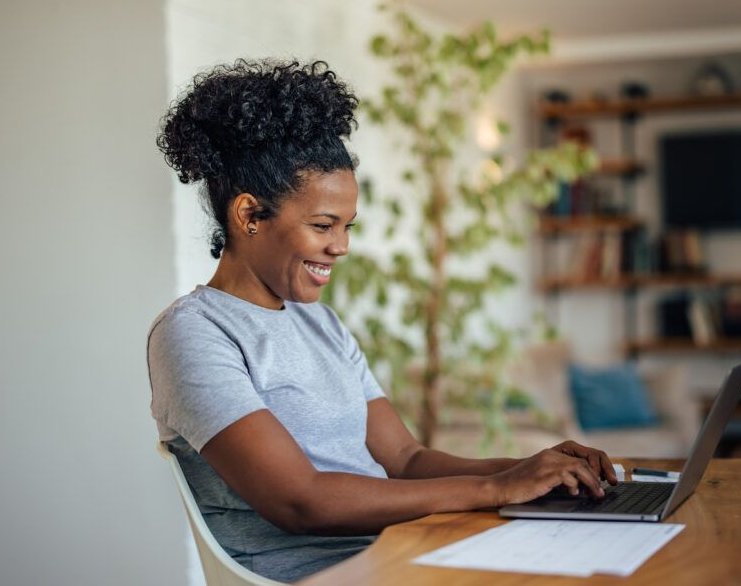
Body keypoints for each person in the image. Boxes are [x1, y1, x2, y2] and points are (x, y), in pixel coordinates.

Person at [149, 58, 617, 583]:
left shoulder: (320, 324)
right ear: (249, 215)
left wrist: (530, 469)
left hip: (401, 551)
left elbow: (406, 457)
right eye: (323, 225)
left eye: (347, 225)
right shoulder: (193, 333)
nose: (341, 245)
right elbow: (300, 502)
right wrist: (494, 489)